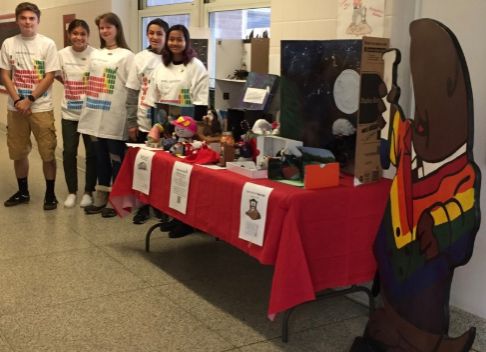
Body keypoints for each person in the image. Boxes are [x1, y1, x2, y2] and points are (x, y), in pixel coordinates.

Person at [145, 24, 209, 238]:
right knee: (170, 175)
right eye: (171, 39)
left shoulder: (196, 66)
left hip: (188, 131)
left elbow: (201, 103)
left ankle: (188, 221)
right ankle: (174, 216)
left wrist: (198, 134)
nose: (174, 43)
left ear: (186, 41)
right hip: (166, 130)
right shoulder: (160, 66)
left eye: (179, 39)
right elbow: (153, 99)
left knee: (186, 176)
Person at [0, 2, 60, 210]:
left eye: (31, 18)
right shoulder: (9, 43)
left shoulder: (47, 44)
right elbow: (5, 74)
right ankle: (23, 192)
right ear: (17, 20)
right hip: (15, 107)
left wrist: (30, 99)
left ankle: (50, 194)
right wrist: (18, 100)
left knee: (47, 152)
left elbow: (50, 76)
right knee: (18, 152)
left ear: (38, 20)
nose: (27, 22)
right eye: (23, 18)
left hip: (41, 107)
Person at [78, 12, 134, 217]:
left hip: (115, 116)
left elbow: (131, 88)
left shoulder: (127, 56)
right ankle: (101, 196)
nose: (105, 31)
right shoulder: (95, 54)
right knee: (100, 158)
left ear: (117, 29)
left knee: (116, 157)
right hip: (95, 114)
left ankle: (116, 199)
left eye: (108, 27)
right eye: (102, 28)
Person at [126, 18, 168, 224]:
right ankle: (143, 206)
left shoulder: (173, 59)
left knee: (163, 168)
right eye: (151, 33)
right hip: (144, 121)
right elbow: (132, 92)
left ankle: (160, 206)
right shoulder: (139, 58)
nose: (155, 37)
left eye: (159, 33)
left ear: (166, 36)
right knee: (143, 166)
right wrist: (131, 121)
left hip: (167, 126)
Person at [56, 19, 97, 208]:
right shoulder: (61, 55)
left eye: (82, 34)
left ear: (88, 36)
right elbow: (54, 73)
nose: (78, 37)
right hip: (69, 113)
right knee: (69, 152)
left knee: (91, 154)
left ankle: (88, 192)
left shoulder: (95, 55)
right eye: (75, 33)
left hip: (91, 113)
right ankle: (72, 191)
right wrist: (69, 86)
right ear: (69, 35)